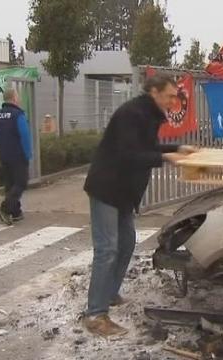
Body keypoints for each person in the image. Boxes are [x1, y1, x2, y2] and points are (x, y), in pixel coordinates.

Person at [82, 73, 196, 337]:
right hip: (107, 187)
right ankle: (95, 315)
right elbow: (129, 154)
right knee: (107, 248)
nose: (172, 102)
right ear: (154, 92)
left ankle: (109, 294)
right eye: (169, 96)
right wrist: (167, 157)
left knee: (127, 243)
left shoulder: (147, 114)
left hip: (123, 191)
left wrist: (177, 148)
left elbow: (148, 147)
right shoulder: (131, 114)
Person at [0, 88, 32, 225]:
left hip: (4, 156)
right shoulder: (18, 115)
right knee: (21, 182)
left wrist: (0, 151)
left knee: (10, 184)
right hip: (18, 156)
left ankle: (15, 212)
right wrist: (28, 154)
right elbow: (24, 136)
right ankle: (5, 208)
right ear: (14, 98)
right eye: (18, 96)